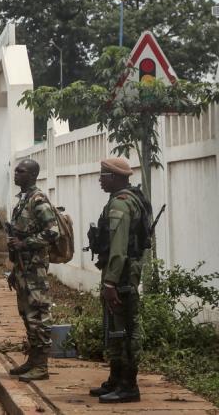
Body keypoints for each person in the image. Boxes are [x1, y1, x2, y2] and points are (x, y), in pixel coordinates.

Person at [88, 157, 149, 404]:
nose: (100, 180)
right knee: (114, 326)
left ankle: (129, 385)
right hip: (122, 271)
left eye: (103, 175)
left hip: (121, 273)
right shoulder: (123, 200)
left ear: (115, 177)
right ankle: (115, 378)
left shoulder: (120, 205)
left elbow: (119, 248)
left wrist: (110, 282)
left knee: (124, 327)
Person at [6, 159, 58, 382]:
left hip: (35, 270)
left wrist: (25, 244)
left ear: (33, 175)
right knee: (27, 315)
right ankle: (33, 360)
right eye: (16, 170)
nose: (16, 174)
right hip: (22, 268)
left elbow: (53, 232)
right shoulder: (23, 200)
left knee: (38, 314)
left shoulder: (38, 199)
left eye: (21, 171)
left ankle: (42, 365)